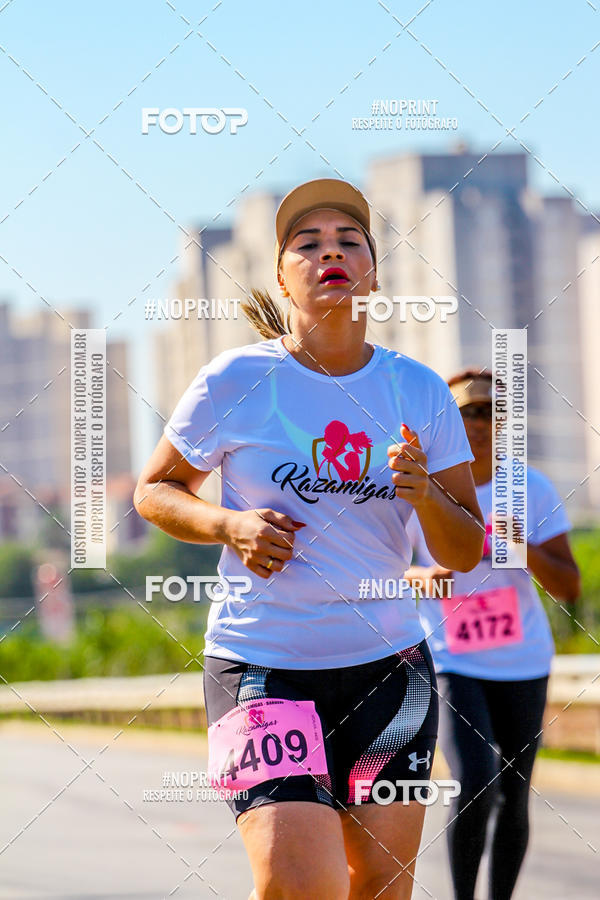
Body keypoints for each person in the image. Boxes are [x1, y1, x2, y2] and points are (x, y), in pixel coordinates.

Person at [134, 178, 485, 900]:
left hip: (392, 675)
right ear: (282, 275)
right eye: (309, 243)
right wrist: (229, 524)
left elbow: (464, 549)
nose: (331, 253)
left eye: (349, 241)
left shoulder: (416, 390)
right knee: (302, 886)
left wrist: (423, 496)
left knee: (382, 889)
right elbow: (154, 491)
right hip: (261, 667)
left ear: (373, 271)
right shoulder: (235, 379)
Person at [404, 368, 581, 900]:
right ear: (446, 420)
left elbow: (569, 585)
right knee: (476, 780)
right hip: (451, 655)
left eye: (488, 412)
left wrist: (522, 547)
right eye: (465, 411)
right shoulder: (423, 489)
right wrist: (420, 577)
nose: (477, 422)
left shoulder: (529, 487)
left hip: (522, 659)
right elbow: (381, 569)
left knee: (514, 793)